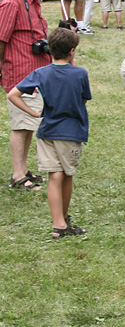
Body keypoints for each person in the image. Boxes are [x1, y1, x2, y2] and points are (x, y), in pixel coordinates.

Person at [6, 27, 90, 239]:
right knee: (67, 174)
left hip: (47, 131)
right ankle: (64, 219)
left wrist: (33, 112)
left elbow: (13, 94)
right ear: (72, 51)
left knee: (54, 175)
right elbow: (84, 99)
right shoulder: (80, 73)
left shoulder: (40, 73)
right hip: (70, 132)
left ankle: (58, 224)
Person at [0, 0, 52, 191]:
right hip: (20, 72)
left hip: (35, 72)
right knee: (21, 125)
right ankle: (18, 175)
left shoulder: (32, 0)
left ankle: (23, 169)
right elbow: (1, 39)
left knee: (29, 123)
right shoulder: (12, 1)